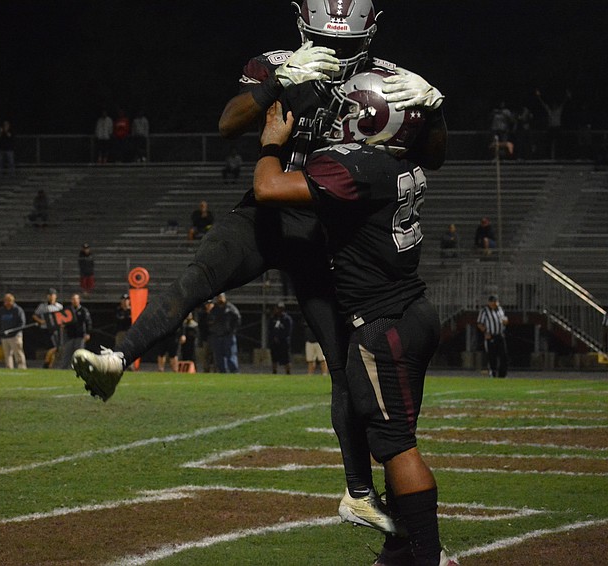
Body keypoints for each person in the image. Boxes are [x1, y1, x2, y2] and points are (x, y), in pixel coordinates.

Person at [72, 0, 446, 537]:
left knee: (343, 364)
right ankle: (118, 357)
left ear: (369, 35)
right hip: (268, 210)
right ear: (302, 29)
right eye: (325, 40)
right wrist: (278, 82)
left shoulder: (389, 81)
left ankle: (359, 493)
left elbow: (432, 154)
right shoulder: (276, 64)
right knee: (199, 277)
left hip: (323, 226)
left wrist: (434, 107)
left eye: (343, 43)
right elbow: (228, 123)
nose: (334, 52)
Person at [253, 71, 455, 565]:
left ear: (368, 117)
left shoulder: (360, 166)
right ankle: (399, 553)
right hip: (412, 311)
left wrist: (271, 143)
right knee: (393, 437)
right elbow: (435, 148)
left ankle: (430, 556)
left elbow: (268, 188)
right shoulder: (404, 159)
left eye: (348, 109)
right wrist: (435, 113)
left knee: (396, 446)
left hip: (382, 324)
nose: (339, 117)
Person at [56, 293, 91, 370]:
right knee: (67, 353)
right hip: (69, 335)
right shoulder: (67, 310)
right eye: (73, 299)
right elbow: (61, 320)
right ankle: (63, 368)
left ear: (79, 300)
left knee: (79, 354)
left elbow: (88, 322)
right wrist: (62, 325)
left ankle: (79, 368)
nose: (75, 301)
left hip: (80, 335)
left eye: (76, 299)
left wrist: (88, 333)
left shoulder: (83, 310)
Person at [477, 295, 509, 378]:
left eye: (495, 301)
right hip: (491, 336)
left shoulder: (500, 309)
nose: (494, 303)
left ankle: (502, 375)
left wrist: (505, 322)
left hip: (500, 335)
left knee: (503, 356)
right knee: (492, 356)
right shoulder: (484, 311)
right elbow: (480, 323)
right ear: (489, 302)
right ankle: (493, 373)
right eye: (493, 302)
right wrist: (485, 332)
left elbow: (505, 320)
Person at [208, 293, 241, 373]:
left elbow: (237, 319)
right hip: (217, 335)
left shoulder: (230, 308)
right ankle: (222, 371)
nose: (219, 299)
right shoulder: (214, 309)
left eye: (221, 297)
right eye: (218, 297)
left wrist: (232, 330)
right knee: (218, 355)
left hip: (228, 335)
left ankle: (234, 371)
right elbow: (209, 319)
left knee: (231, 354)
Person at [32, 288, 63, 369]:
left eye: (52, 295)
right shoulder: (42, 306)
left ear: (55, 296)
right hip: (46, 329)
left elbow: (61, 318)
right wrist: (41, 321)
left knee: (56, 348)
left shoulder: (59, 306)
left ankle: (49, 365)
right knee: (53, 347)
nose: (51, 297)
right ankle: (46, 362)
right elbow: (35, 315)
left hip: (56, 329)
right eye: (49, 295)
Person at [0, 293, 27, 370]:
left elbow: (22, 323)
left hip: (15, 336)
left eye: (8, 301)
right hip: (5, 336)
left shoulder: (17, 310)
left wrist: (14, 331)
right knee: (7, 354)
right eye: (5, 301)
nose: (7, 303)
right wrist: (1, 332)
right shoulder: (2, 310)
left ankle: (21, 367)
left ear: (12, 301)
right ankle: (9, 368)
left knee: (18, 353)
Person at [269, 301, 293, 374]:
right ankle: (274, 371)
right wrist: (273, 337)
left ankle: (288, 372)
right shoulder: (273, 318)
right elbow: (270, 329)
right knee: (274, 358)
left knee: (286, 358)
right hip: (274, 341)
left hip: (283, 341)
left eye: (280, 309)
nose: (277, 310)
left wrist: (280, 337)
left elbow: (288, 331)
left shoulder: (287, 319)